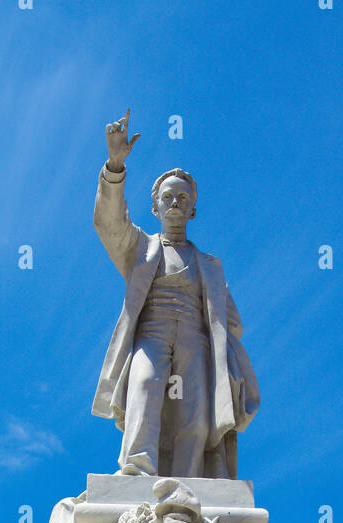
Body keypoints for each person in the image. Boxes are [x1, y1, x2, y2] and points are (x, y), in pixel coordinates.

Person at [92, 109, 259, 478]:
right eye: (168, 198)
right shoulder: (140, 248)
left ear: (193, 210)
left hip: (197, 344)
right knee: (144, 392)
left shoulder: (210, 267)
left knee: (195, 416)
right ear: (154, 207)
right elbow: (109, 223)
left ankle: (188, 484)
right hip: (151, 336)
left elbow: (232, 323)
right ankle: (138, 474)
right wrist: (114, 168)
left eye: (183, 199)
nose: (175, 204)